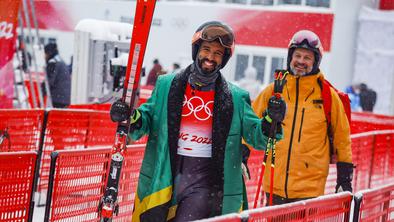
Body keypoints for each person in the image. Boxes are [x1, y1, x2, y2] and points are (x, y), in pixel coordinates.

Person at [109, 21, 285, 221]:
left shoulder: (236, 97)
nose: (210, 57)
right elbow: (147, 118)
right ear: (196, 50)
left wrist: (272, 119)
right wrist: (129, 117)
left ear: (224, 59)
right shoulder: (167, 85)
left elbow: (258, 136)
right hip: (165, 174)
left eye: (218, 53)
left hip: (204, 181)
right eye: (207, 49)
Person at [245, 30, 353, 205]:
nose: (301, 61)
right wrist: (242, 154)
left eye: (307, 57)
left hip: (309, 188)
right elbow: (250, 124)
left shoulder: (327, 96)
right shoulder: (274, 91)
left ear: (316, 61)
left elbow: (342, 137)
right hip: (274, 182)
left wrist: (344, 178)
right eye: (298, 56)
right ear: (290, 57)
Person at [43, 43, 71, 108]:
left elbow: (48, 82)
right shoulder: (61, 61)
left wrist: (41, 93)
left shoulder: (53, 62)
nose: (44, 56)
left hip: (57, 99)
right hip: (65, 99)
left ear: (48, 53)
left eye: (45, 53)